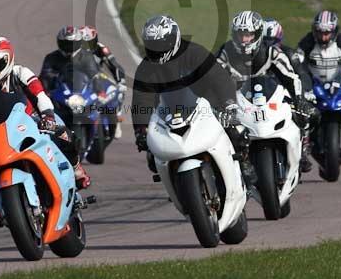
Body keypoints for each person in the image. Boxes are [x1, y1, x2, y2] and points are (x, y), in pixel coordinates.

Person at [131, 15, 258, 186]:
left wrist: (228, 105)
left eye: (161, 44)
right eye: (152, 45)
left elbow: (220, 78)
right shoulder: (146, 68)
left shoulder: (194, 52)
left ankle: (244, 162)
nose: (157, 49)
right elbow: (141, 98)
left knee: (235, 130)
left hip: (206, 104)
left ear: (173, 39)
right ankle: (175, 182)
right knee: (152, 157)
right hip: (169, 111)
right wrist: (141, 129)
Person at [0, 34, 90, 189]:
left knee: (64, 134)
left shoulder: (20, 73)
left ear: (6, 62)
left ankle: (76, 170)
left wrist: (48, 116)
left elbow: (40, 95)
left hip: (31, 119)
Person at [217, 11, 316, 173]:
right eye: (240, 34)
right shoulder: (226, 52)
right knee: (222, 126)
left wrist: (300, 98)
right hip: (238, 101)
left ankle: (302, 150)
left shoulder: (272, 52)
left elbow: (291, 77)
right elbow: (214, 77)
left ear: (257, 35)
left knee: (308, 113)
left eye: (248, 35)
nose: (244, 39)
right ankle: (239, 161)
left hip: (272, 97)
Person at [294, 10, 341, 145]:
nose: (323, 37)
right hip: (313, 85)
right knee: (299, 107)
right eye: (319, 32)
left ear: (334, 31)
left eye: (326, 33)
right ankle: (304, 136)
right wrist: (302, 87)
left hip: (339, 82)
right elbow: (297, 65)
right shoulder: (306, 42)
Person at [80, 25, 128, 138]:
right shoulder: (75, 50)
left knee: (119, 90)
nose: (87, 46)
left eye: (90, 42)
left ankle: (117, 115)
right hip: (81, 79)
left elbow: (115, 66)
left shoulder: (101, 49)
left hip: (98, 77)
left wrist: (121, 81)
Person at [263, 18, 316, 104]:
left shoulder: (290, 54)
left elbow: (302, 73)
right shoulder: (253, 56)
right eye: (264, 41)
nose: (268, 45)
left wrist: (306, 91)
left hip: (285, 97)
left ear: (279, 39)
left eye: (271, 41)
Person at [39, 26, 102, 91]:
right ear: (60, 43)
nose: (69, 48)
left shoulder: (86, 56)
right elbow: (45, 76)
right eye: (66, 44)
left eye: (73, 44)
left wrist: (100, 91)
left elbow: (94, 75)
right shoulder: (51, 58)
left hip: (85, 91)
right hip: (59, 92)